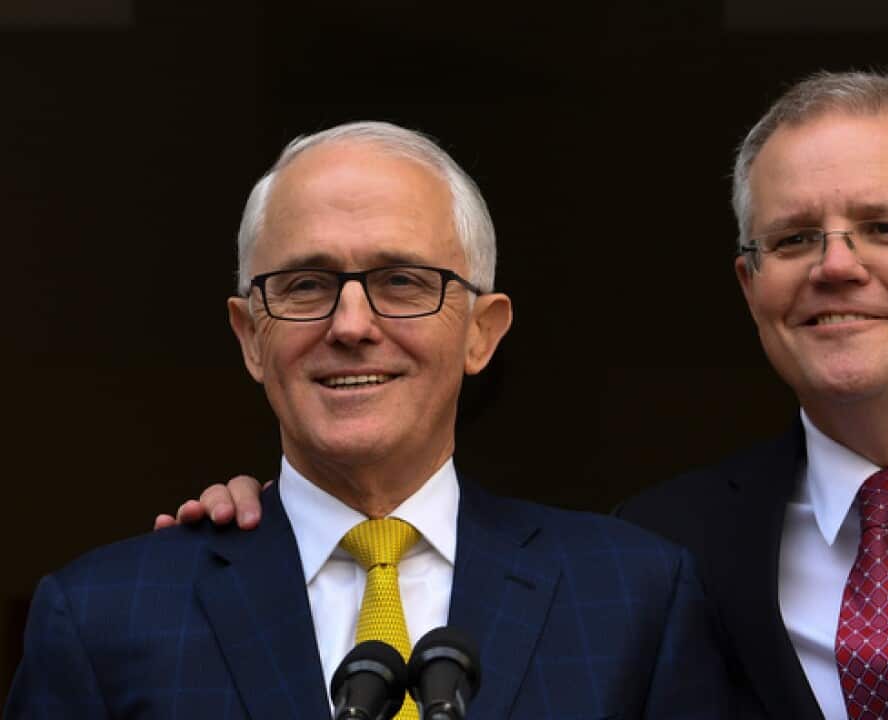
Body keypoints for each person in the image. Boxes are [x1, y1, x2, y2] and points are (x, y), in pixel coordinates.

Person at [162, 72, 888, 719]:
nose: (835, 266)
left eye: (884, 227)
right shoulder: (665, 551)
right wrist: (267, 529)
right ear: (750, 287)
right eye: (791, 239)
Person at [7, 121, 731, 719]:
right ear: (250, 336)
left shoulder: (632, 594)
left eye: (402, 281)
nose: (351, 325)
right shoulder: (105, 615)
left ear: (482, 332)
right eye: (305, 284)